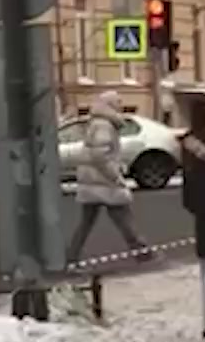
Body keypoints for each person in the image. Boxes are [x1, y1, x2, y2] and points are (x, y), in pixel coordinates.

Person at [65, 91, 153, 266]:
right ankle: (144, 254)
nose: (121, 105)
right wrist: (115, 174)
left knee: (85, 224)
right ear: (111, 105)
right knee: (125, 220)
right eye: (118, 102)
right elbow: (100, 155)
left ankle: (70, 258)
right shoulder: (105, 125)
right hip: (104, 182)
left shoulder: (98, 123)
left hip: (93, 182)